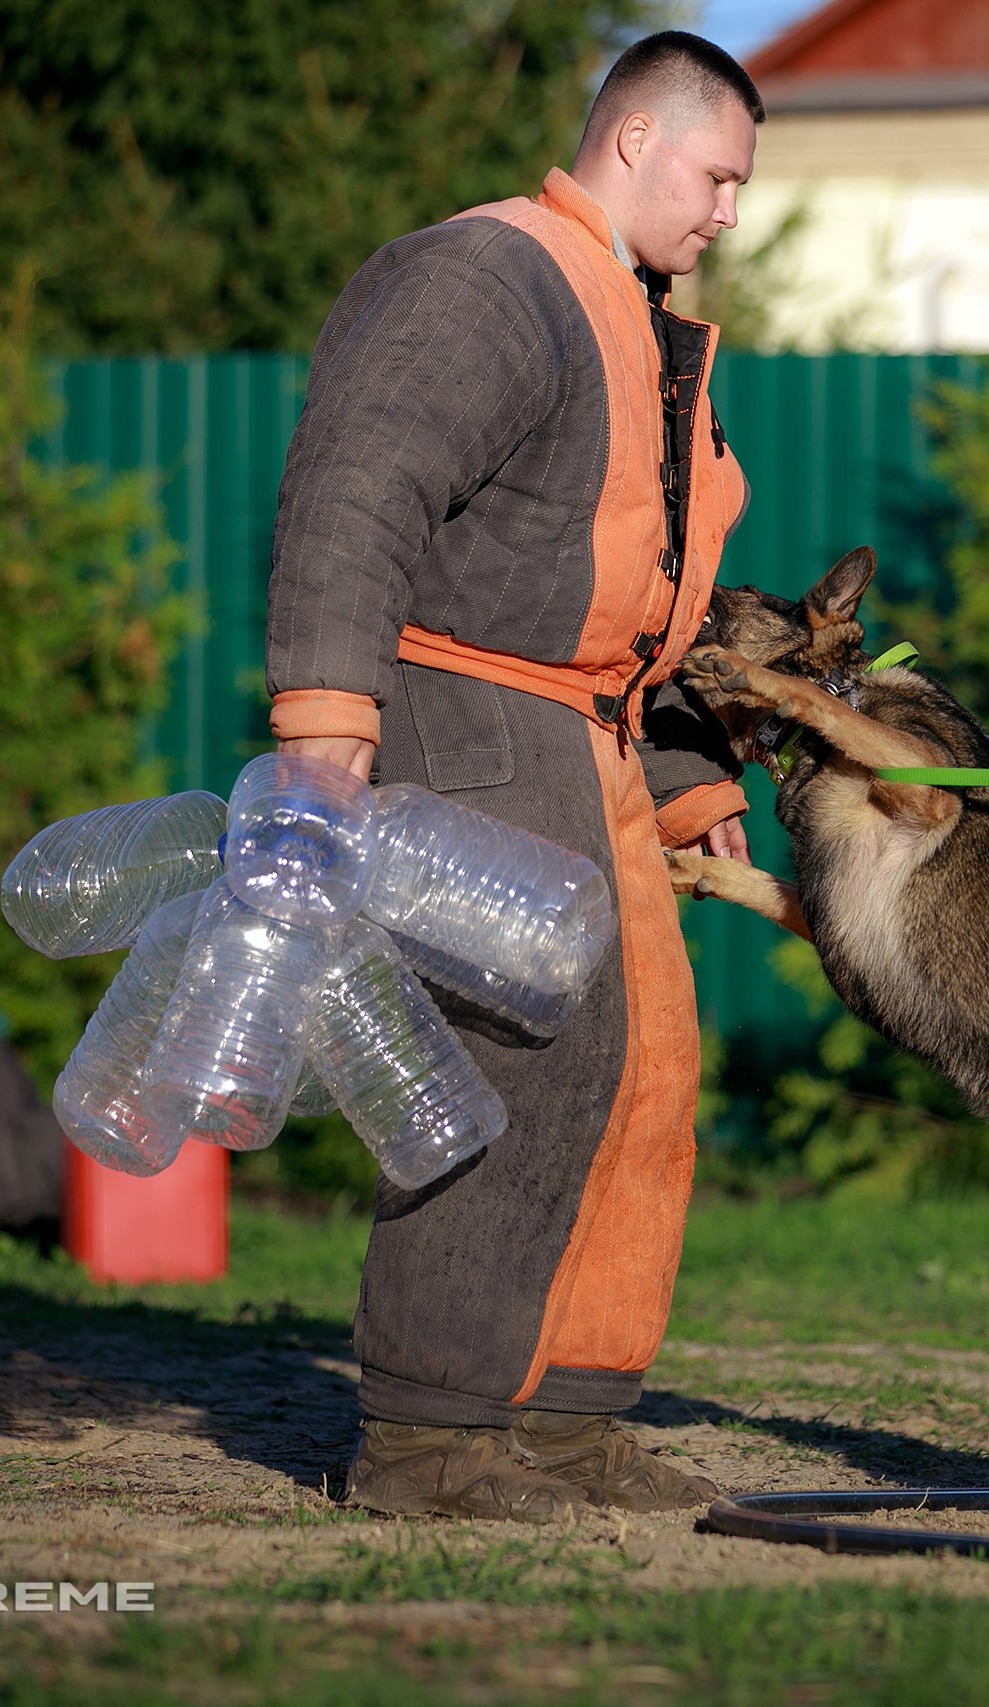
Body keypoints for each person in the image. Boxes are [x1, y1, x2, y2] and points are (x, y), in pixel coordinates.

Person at [262, 32, 762, 1521]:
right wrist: (325, 721)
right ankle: (430, 1439)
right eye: (720, 176)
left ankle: (565, 1421)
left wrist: (685, 775)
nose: (730, 212)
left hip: (589, 733)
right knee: (520, 1063)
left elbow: (640, 589)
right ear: (635, 142)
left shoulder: (638, 315)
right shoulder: (483, 276)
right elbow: (359, 483)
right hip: (464, 714)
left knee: (646, 1070)